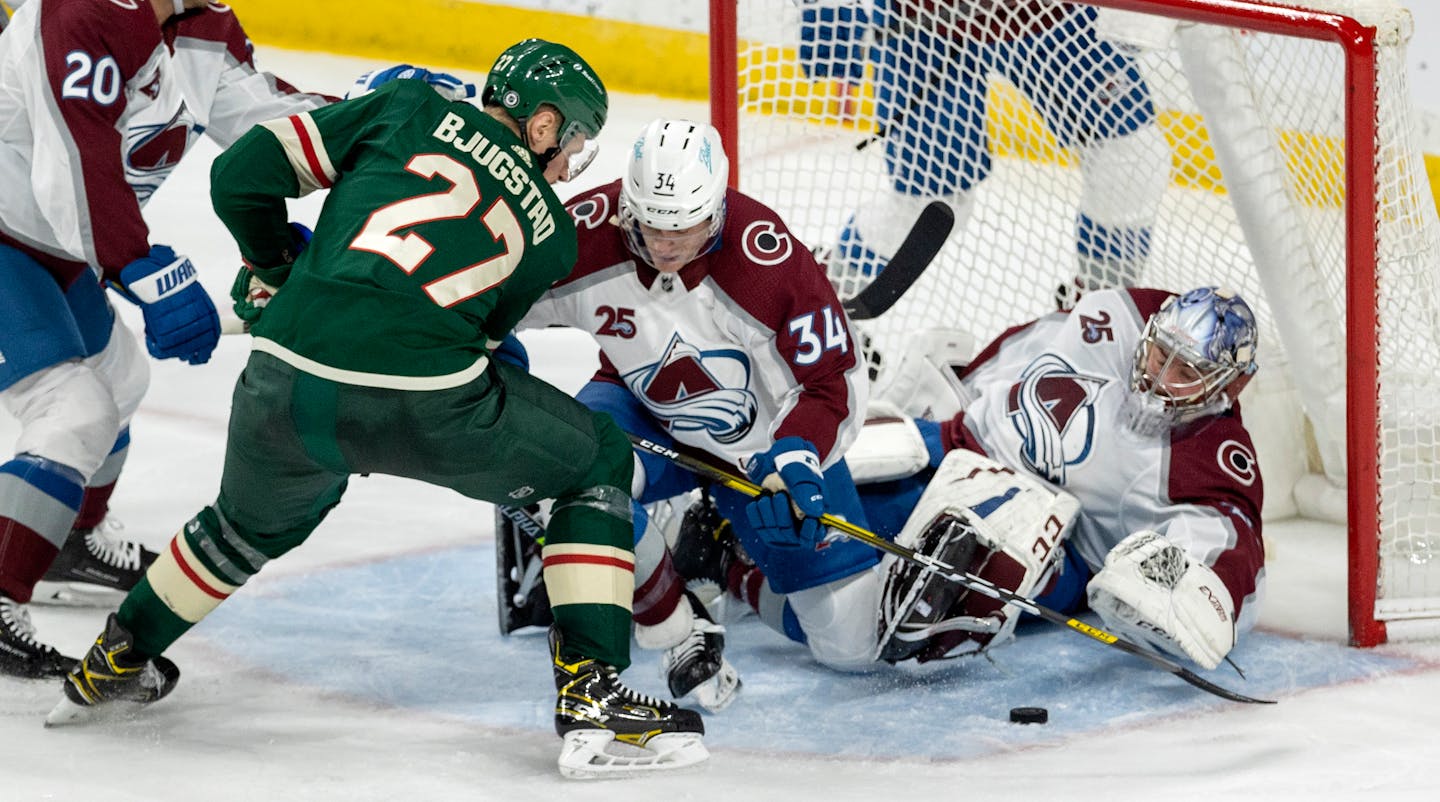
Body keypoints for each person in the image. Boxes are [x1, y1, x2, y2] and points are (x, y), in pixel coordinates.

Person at [46, 39, 709, 779]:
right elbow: (478, 338)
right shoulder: (551, 235)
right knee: (597, 462)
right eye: (573, 143)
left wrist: (275, 269)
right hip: (431, 410)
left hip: (284, 388)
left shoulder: (406, 105)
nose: (566, 164)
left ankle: (116, 658)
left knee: (242, 527)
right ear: (545, 125)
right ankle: (593, 698)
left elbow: (239, 176)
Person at [0, 0, 333, 679]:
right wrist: (141, 270)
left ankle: (70, 538)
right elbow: (77, 160)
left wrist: (378, 113)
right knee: (71, 412)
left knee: (119, 381)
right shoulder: (84, 10)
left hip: (49, 245)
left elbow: (271, 122)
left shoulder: (207, 23)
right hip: (12, 235)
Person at [684, 285, 1264, 673]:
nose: (1158, 373)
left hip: (1053, 542)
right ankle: (711, 519)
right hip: (958, 445)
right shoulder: (1120, 315)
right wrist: (955, 395)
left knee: (873, 631)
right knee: (800, 467)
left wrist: (1182, 596)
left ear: (1230, 387)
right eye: (1160, 353)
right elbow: (1026, 347)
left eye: (1185, 370)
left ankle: (731, 568)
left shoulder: (1210, 463)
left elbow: (1229, 564)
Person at [507, 118, 876, 692]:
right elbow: (489, 298)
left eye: (682, 229)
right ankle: (678, 618)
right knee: (575, 473)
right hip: (640, 411)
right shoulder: (586, 231)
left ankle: (721, 553)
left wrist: (797, 461)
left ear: (718, 209)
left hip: (760, 454)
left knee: (848, 644)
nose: (663, 245)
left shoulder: (768, 265)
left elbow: (832, 384)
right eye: (650, 226)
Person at [799, 1, 1169, 306]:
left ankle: (1099, 308)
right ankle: (830, 299)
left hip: (1047, 12)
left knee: (1132, 159)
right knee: (931, 205)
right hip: (922, 22)